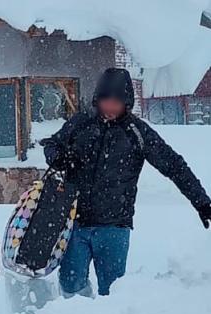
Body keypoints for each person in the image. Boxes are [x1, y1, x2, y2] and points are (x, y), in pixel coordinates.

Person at [43, 68, 211, 297]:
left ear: (127, 102)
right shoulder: (81, 123)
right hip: (75, 222)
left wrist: (201, 201)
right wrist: (58, 158)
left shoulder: (137, 132)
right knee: (70, 284)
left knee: (113, 292)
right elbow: (53, 144)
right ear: (98, 99)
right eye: (106, 100)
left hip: (115, 226)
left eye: (117, 102)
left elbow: (174, 165)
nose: (110, 107)